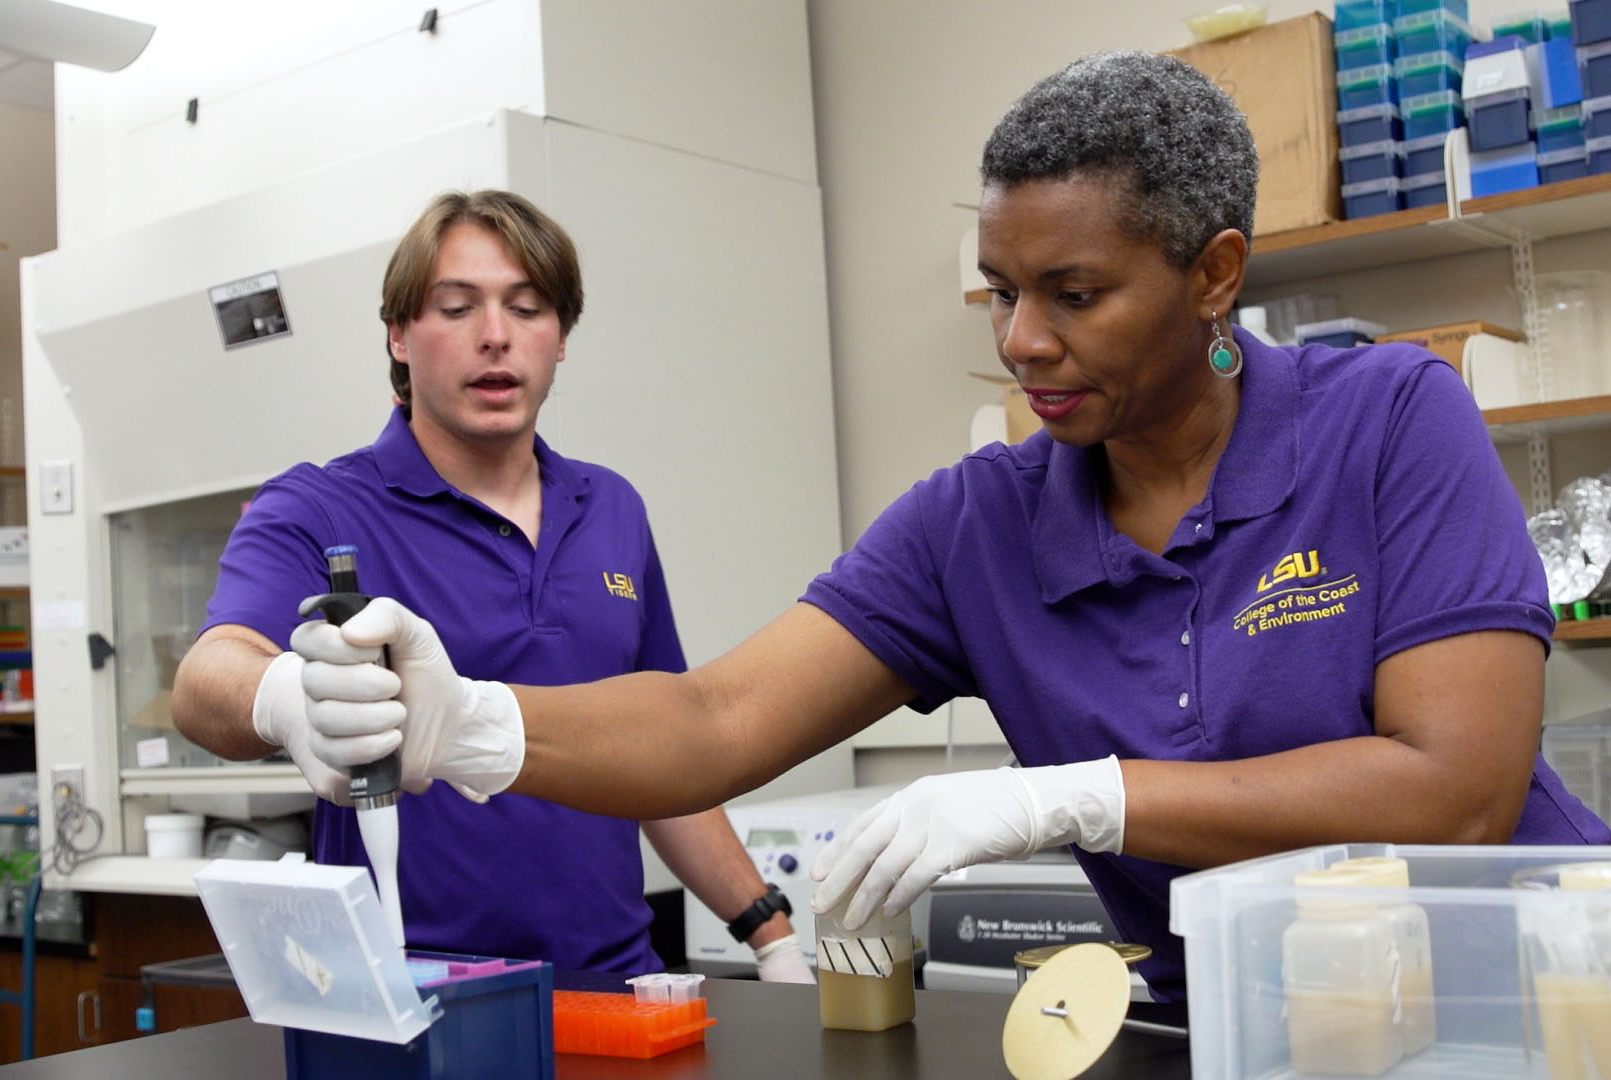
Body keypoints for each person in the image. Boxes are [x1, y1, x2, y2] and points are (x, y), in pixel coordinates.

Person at [280, 52, 1611, 1002]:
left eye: (1073, 293)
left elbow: (1456, 785)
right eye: (999, 293)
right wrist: (473, 724)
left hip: (1516, 1005)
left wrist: (1072, 800)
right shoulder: (978, 523)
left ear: (1212, 275)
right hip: (1239, 1022)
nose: (1023, 341)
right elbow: (709, 723)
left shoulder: (1387, 420)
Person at [170, 189, 812, 983]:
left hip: (618, 992)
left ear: (562, 336)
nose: (497, 336)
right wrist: (284, 698)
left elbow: (664, 751)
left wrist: (768, 931)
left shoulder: (611, 508)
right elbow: (205, 680)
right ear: (400, 335)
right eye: (456, 307)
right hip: (415, 995)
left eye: (528, 307)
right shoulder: (318, 506)